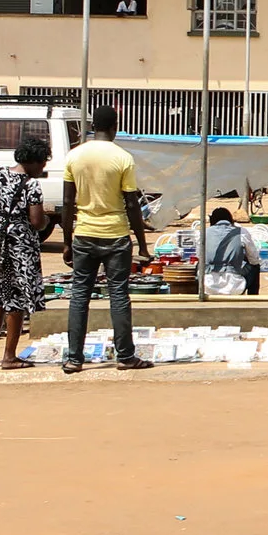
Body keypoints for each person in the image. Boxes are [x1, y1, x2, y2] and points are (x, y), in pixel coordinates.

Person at [58, 103, 152, 374]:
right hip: (116, 236)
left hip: (84, 234)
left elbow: (67, 203)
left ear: (92, 127)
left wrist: (67, 241)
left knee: (79, 297)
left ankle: (74, 358)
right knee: (119, 295)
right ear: (115, 127)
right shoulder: (123, 158)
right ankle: (125, 356)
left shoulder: (74, 156)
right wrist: (143, 243)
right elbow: (132, 204)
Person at [0, 139, 50, 370]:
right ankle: (9, 356)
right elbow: (37, 223)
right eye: (43, 162)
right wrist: (46, 219)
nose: (43, 168)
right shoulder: (31, 185)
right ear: (33, 161)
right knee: (16, 301)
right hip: (19, 247)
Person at [205, 206, 260, 297]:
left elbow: (199, 256)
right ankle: (253, 299)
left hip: (208, 285)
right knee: (255, 266)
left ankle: (197, 295)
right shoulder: (242, 232)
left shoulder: (204, 233)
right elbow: (254, 259)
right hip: (234, 285)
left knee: (198, 265)